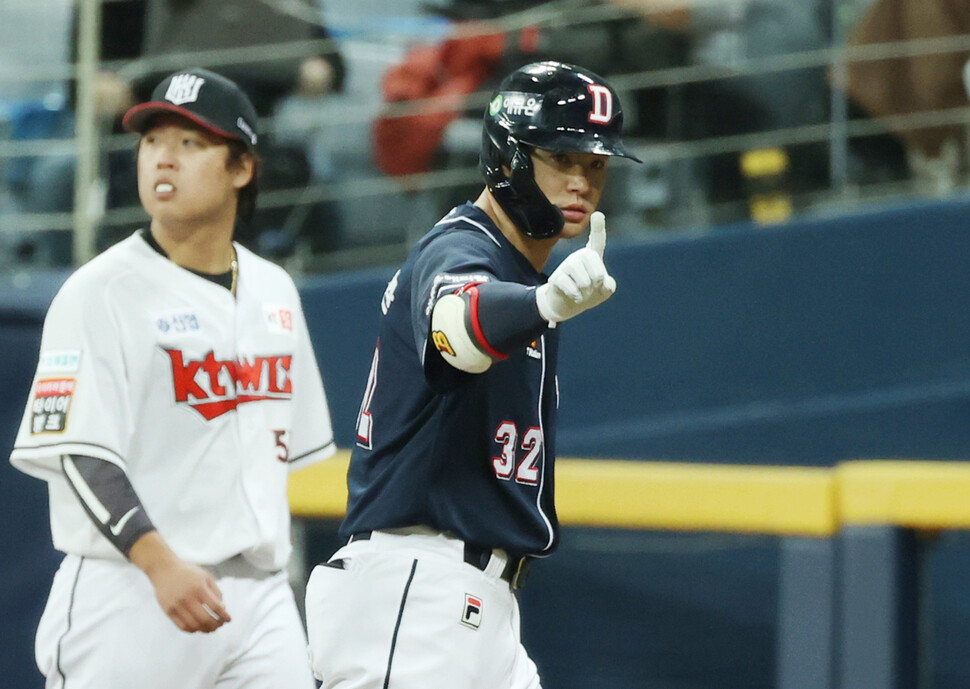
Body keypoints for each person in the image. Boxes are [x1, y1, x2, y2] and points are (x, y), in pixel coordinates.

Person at [304, 60, 641, 688]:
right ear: (510, 158)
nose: (582, 181)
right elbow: (453, 331)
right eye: (561, 158)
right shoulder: (463, 246)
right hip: (416, 589)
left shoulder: (521, 274)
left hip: (477, 605)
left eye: (594, 164)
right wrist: (543, 305)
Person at [8, 68, 336, 689]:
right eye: (153, 140)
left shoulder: (275, 290)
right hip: (133, 589)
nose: (164, 158)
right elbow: (79, 453)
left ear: (241, 168)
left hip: (260, 596)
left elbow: (289, 454)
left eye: (191, 144)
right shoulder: (99, 292)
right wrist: (160, 565)